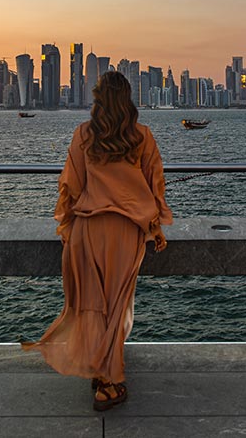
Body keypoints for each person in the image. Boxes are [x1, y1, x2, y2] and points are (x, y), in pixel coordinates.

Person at [21, 70, 172, 411]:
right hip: (126, 233)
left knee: (93, 305)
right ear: (128, 100)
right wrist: (156, 228)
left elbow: (70, 187)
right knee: (116, 307)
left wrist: (67, 226)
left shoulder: (84, 135)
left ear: (99, 99)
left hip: (88, 232)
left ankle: (100, 367)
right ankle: (111, 379)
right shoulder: (143, 137)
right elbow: (155, 186)